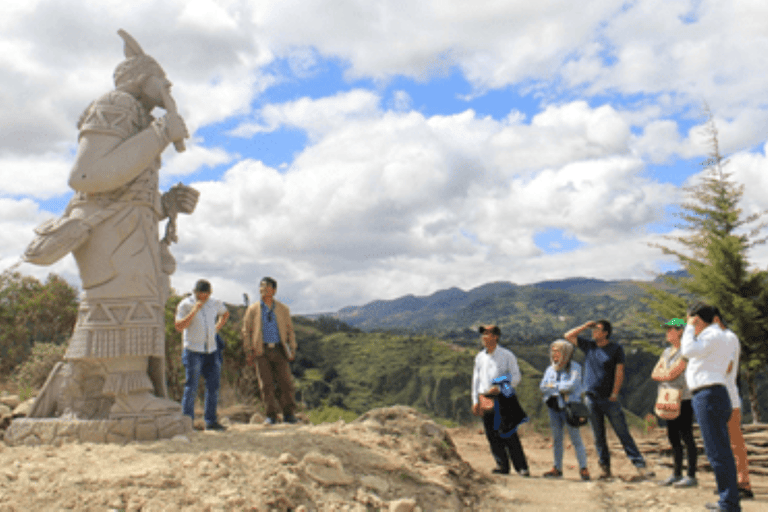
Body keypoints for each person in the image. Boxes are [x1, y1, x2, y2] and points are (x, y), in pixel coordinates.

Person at [25, 30, 198, 421]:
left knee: (137, 302)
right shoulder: (116, 104)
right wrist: (159, 135)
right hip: (111, 233)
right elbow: (88, 177)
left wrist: (166, 204)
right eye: (161, 78)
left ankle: (112, 393)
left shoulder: (138, 114)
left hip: (130, 227)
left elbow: (124, 188)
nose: (168, 86)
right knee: (123, 300)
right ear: (139, 78)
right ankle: (129, 396)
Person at [564, 319, 650, 480]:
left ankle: (640, 466)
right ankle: (605, 469)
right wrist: (585, 325)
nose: (593, 332)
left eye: (597, 330)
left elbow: (620, 371)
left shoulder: (616, 349)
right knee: (598, 436)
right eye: (593, 330)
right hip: (591, 398)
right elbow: (568, 335)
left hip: (609, 399)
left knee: (623, 433)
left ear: (605, 333)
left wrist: (615, 393)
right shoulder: (589, 345)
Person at [681, 303, 740, 512]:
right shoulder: (720, 336)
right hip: (714, 394)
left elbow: (687, 350)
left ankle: (729, 503)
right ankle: (729, 500)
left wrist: (689, 327)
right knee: (720, 450)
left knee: (717, 452)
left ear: (697, 319)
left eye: (691, 320)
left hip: (708, 395)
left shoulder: (711, 335)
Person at [471, 325, 530, 476]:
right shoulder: (480, 357)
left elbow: (516, 377)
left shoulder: (506, 355)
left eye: (487, 334)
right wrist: (475, 401)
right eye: (483, 334)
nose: (484, 337)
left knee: (508, 432)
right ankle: (502, 465)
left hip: (503, 397)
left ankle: (521, 467)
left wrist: (499, 386)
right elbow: (476, 381)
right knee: (491, 434)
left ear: (496, 336)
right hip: (485, 397)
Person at [242, 277, 298, 425]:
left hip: (280, 349)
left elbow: (290, 330)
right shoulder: (253, 309)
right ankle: (271, 416)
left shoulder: (282, 309)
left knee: (285, 383)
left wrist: (292, 348)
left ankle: (289, 414)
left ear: (273, 290)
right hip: (261, 350)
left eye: (266, 288)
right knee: (266, 385)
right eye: (261, 288)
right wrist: (248, 350)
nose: (263, 291)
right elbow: (246, 330)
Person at [175, 279, 230, 430]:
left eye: (206, 294)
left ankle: (211, 421)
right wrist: (194, 311)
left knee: (213, 386)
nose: (203, 297)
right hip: (193, 350)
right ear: (195, 292)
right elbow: (179, 326)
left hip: (211, 350)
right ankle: (187, 423)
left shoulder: (214, 303)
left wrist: (217, 327)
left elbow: (225, 313)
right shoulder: (185, 304)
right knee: (191, 386)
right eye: (200, 293)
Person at [651, 318, 697, 488]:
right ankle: (676, 474)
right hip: (667, 398)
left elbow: (672, 375)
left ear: (680, 331)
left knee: (686, 436)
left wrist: (665, 373)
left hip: (684, 398)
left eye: (670, 329)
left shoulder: (686, 351)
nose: (667, 332)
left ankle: (691, 475)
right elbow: (654, 373)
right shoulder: (666, 352)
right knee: (673, 436)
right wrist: (666, 373)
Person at [713, 309, 753, 500]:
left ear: (715, 320)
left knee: (734, 442)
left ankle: (743, 483)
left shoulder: (728, 338)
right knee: (724, 442)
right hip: (721, 396)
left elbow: (727, 366)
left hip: (728, 398)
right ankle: (732, 482)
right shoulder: (720, 339)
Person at [539, 339, 590, 480]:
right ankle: (557, 468)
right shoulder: (550, 369)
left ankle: (583, 468)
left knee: (575, 438)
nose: (554, 354)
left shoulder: (575, 367)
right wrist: (558, 388)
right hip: (554, 408)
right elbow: (542, 387)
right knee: (557, 439)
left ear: (566, 353)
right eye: (553, 350)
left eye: (558, 351)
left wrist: (553, 387)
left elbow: (571, 386)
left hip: (570, 408)